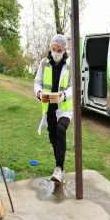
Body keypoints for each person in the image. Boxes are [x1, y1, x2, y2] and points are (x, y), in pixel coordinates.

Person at [34, 34, 73, 183]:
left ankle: (58, 168)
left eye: (59, 50)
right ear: (50, 48)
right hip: (49, 107)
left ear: (64, 50)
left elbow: (73, 86)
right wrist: (38, 92)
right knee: (53, 138)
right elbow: (37, 82)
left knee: (60, 130)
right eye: (54, 49)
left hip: (64, 108)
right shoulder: (44, 63)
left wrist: (64, 95)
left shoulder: (69, 65)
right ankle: (59, 164)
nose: (56, 52)